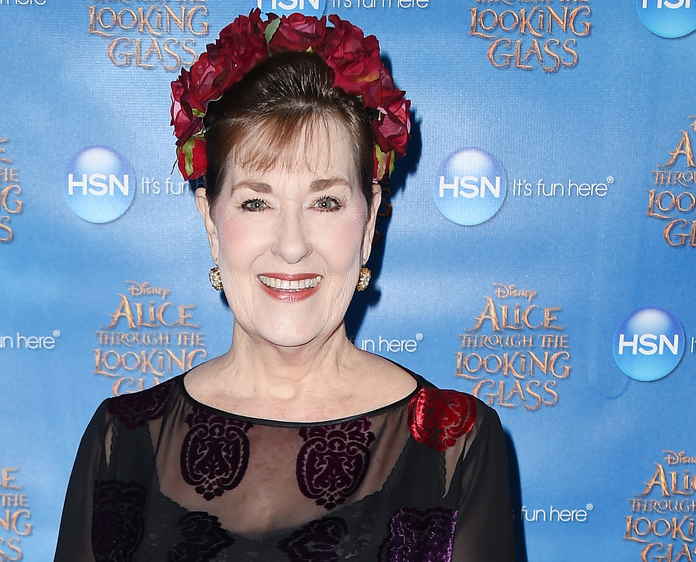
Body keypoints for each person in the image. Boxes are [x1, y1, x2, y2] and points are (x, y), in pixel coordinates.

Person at [55, 10, 514, 561]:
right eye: (257, 202)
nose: (292, 245)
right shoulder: (120, 441)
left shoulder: (452, 443)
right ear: (211, 221)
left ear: (367, 227)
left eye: (325, 202)